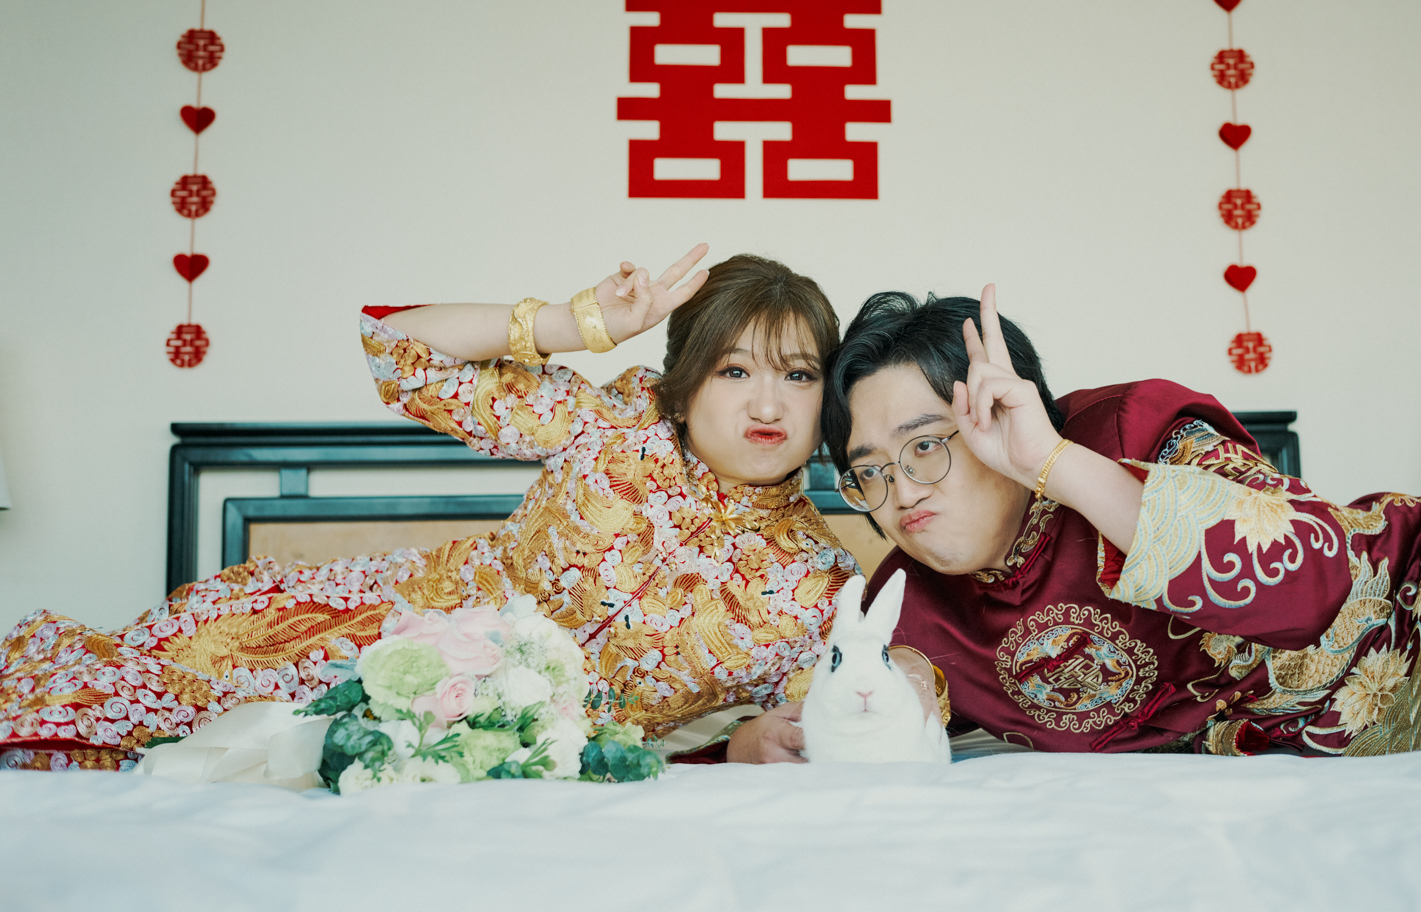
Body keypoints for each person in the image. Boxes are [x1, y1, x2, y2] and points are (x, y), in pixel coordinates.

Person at [0, 248, 870, 771]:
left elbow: (823, 724)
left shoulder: (819, 585)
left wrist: (748, 741)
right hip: (368, 642)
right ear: (682, 387)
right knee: (124, 715)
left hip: (531, 766)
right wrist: (577, 321)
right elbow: (398, 348)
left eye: (797, 375)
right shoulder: (614, 421)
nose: (767, 403)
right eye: (733, 369)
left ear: (824, 401)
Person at [821, 284, 1421, 755]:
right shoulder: (901, 610)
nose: (901, 493)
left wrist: (1053, 465)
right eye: (869, 471)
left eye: (925, 446)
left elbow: (1315, 585)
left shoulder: (1131, 433)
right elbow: (820, 715)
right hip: (1384, 744)